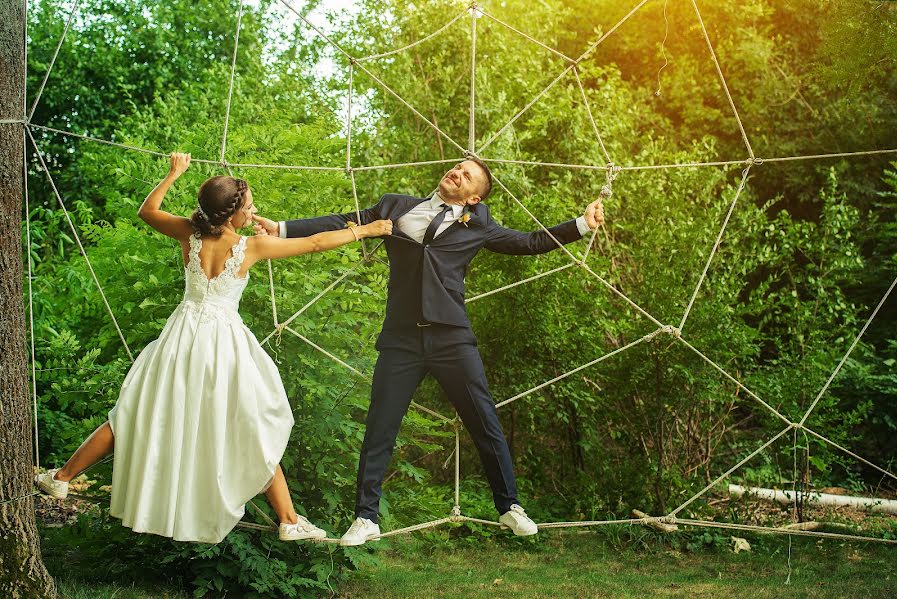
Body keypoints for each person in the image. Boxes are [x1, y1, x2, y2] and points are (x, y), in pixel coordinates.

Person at [34, 152, 393, 544]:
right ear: (231, 215)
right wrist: (366, 230)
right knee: (250, 425)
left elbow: (147, 210)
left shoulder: (189, 232)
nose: (254, 211)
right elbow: (315, 243)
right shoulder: (249, 247)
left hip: (181, 338)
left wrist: (174, 173)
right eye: (250, 206)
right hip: (221, 344)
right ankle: (289, 520)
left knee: (136, 415)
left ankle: (62, 477)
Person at [254, 157, 604, 545]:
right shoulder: (394, 205)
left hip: (451, 337)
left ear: (473, 197)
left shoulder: (481, 224)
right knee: (380, 426)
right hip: (401, 338)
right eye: (457, 167)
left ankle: (509, 507)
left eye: (466, 175)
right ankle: (366, 518)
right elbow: (343, 220)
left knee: (484, 420)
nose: (456, 172)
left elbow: (530, 242)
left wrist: (583, 224)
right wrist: (281, 228)